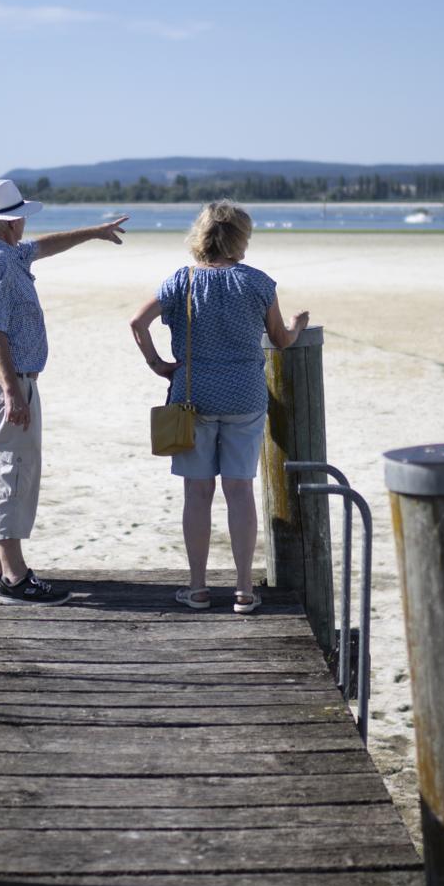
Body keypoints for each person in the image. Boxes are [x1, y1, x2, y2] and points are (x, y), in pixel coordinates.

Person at [129, 201, 307, 613]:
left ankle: (198, 588)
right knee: (240, 489)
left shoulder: (182, 281)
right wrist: (298, 326)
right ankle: (244, 589)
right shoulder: (258, 282)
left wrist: (160, 366)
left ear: (201, 236)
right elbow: (280, 340)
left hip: (195, 395)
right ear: (240, 238)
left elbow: (137, 322)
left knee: (197, 492)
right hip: (245, 396)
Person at [0, 178, 129, 605]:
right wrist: (13, 391)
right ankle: (14, 580)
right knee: (9, 477)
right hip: (4, 385)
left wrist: (93, 232)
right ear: (12, 220)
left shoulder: (0, 250)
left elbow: (43, 247)